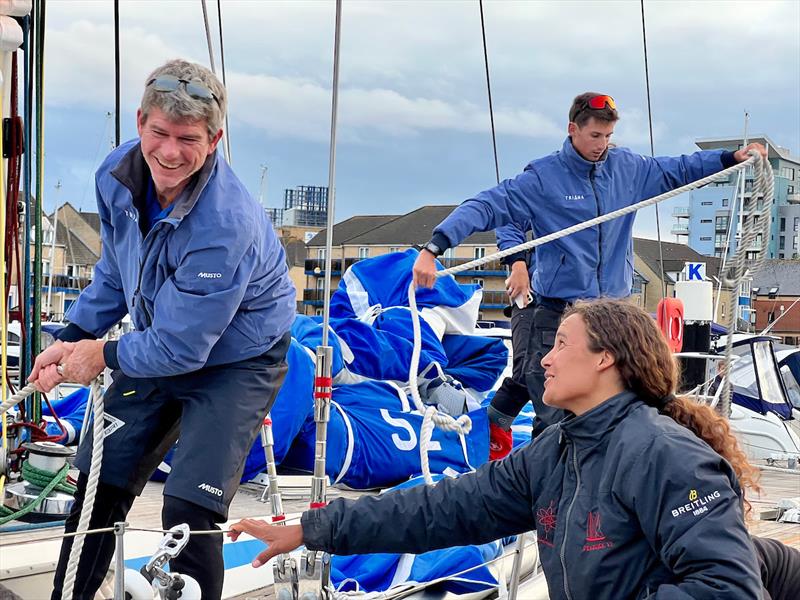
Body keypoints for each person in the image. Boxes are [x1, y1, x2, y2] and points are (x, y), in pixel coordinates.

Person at [229, 299, 766, 599]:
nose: (545, 361)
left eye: (560, 345)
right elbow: (446, 508)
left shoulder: (664, 454)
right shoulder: (556, 451)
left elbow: (727, 589)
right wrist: (311, 529)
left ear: (606, 360)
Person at [29, 59, 296, 599]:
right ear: (139, 122)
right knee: (99, 485)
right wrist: (70, 336)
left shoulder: (226, 223)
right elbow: (116, 271)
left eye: (188, 138)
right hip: (157, 343)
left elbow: (181, 348)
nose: (170, 153)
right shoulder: (115, 177)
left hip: (237, 362)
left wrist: (100, 355)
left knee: (188, 510)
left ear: (215, 138)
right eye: (159, 133)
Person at [412, 92, 768, 453]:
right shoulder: (543, 178)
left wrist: (729, 158)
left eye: (609, 136)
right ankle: (538, 488)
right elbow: (487, 205)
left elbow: (679, 168)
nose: (603, 145)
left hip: (614, 314)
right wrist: (435, 247)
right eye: (595, 136)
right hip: (559, 314)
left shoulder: (628, 169)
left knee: (629, 403)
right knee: (555, 415)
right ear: (573, 130)